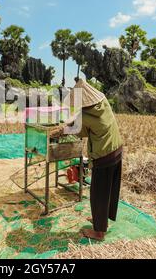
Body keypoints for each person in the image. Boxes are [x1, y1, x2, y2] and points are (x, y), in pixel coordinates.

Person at [52, 79, 123, 241]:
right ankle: (102, 220)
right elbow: (81, 120)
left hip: (104, 156)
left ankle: (98, 232)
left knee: (98, 193)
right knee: (110, 190)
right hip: (117, 149)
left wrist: (58, 131)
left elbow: (76, 129)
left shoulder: (86, 116)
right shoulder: (103, 101)